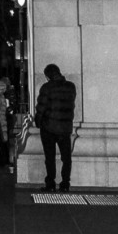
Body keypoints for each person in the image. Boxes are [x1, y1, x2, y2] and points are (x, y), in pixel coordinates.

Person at [35, 62, 76, 192]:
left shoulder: (46, 87)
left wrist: (38, 122)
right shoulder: (71, 86)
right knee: (66, 158)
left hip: (49, 127)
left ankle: (50, 184)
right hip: (65, 127)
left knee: (50, 157)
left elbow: (41, 108)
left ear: (48, 75)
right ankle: (65, 184)